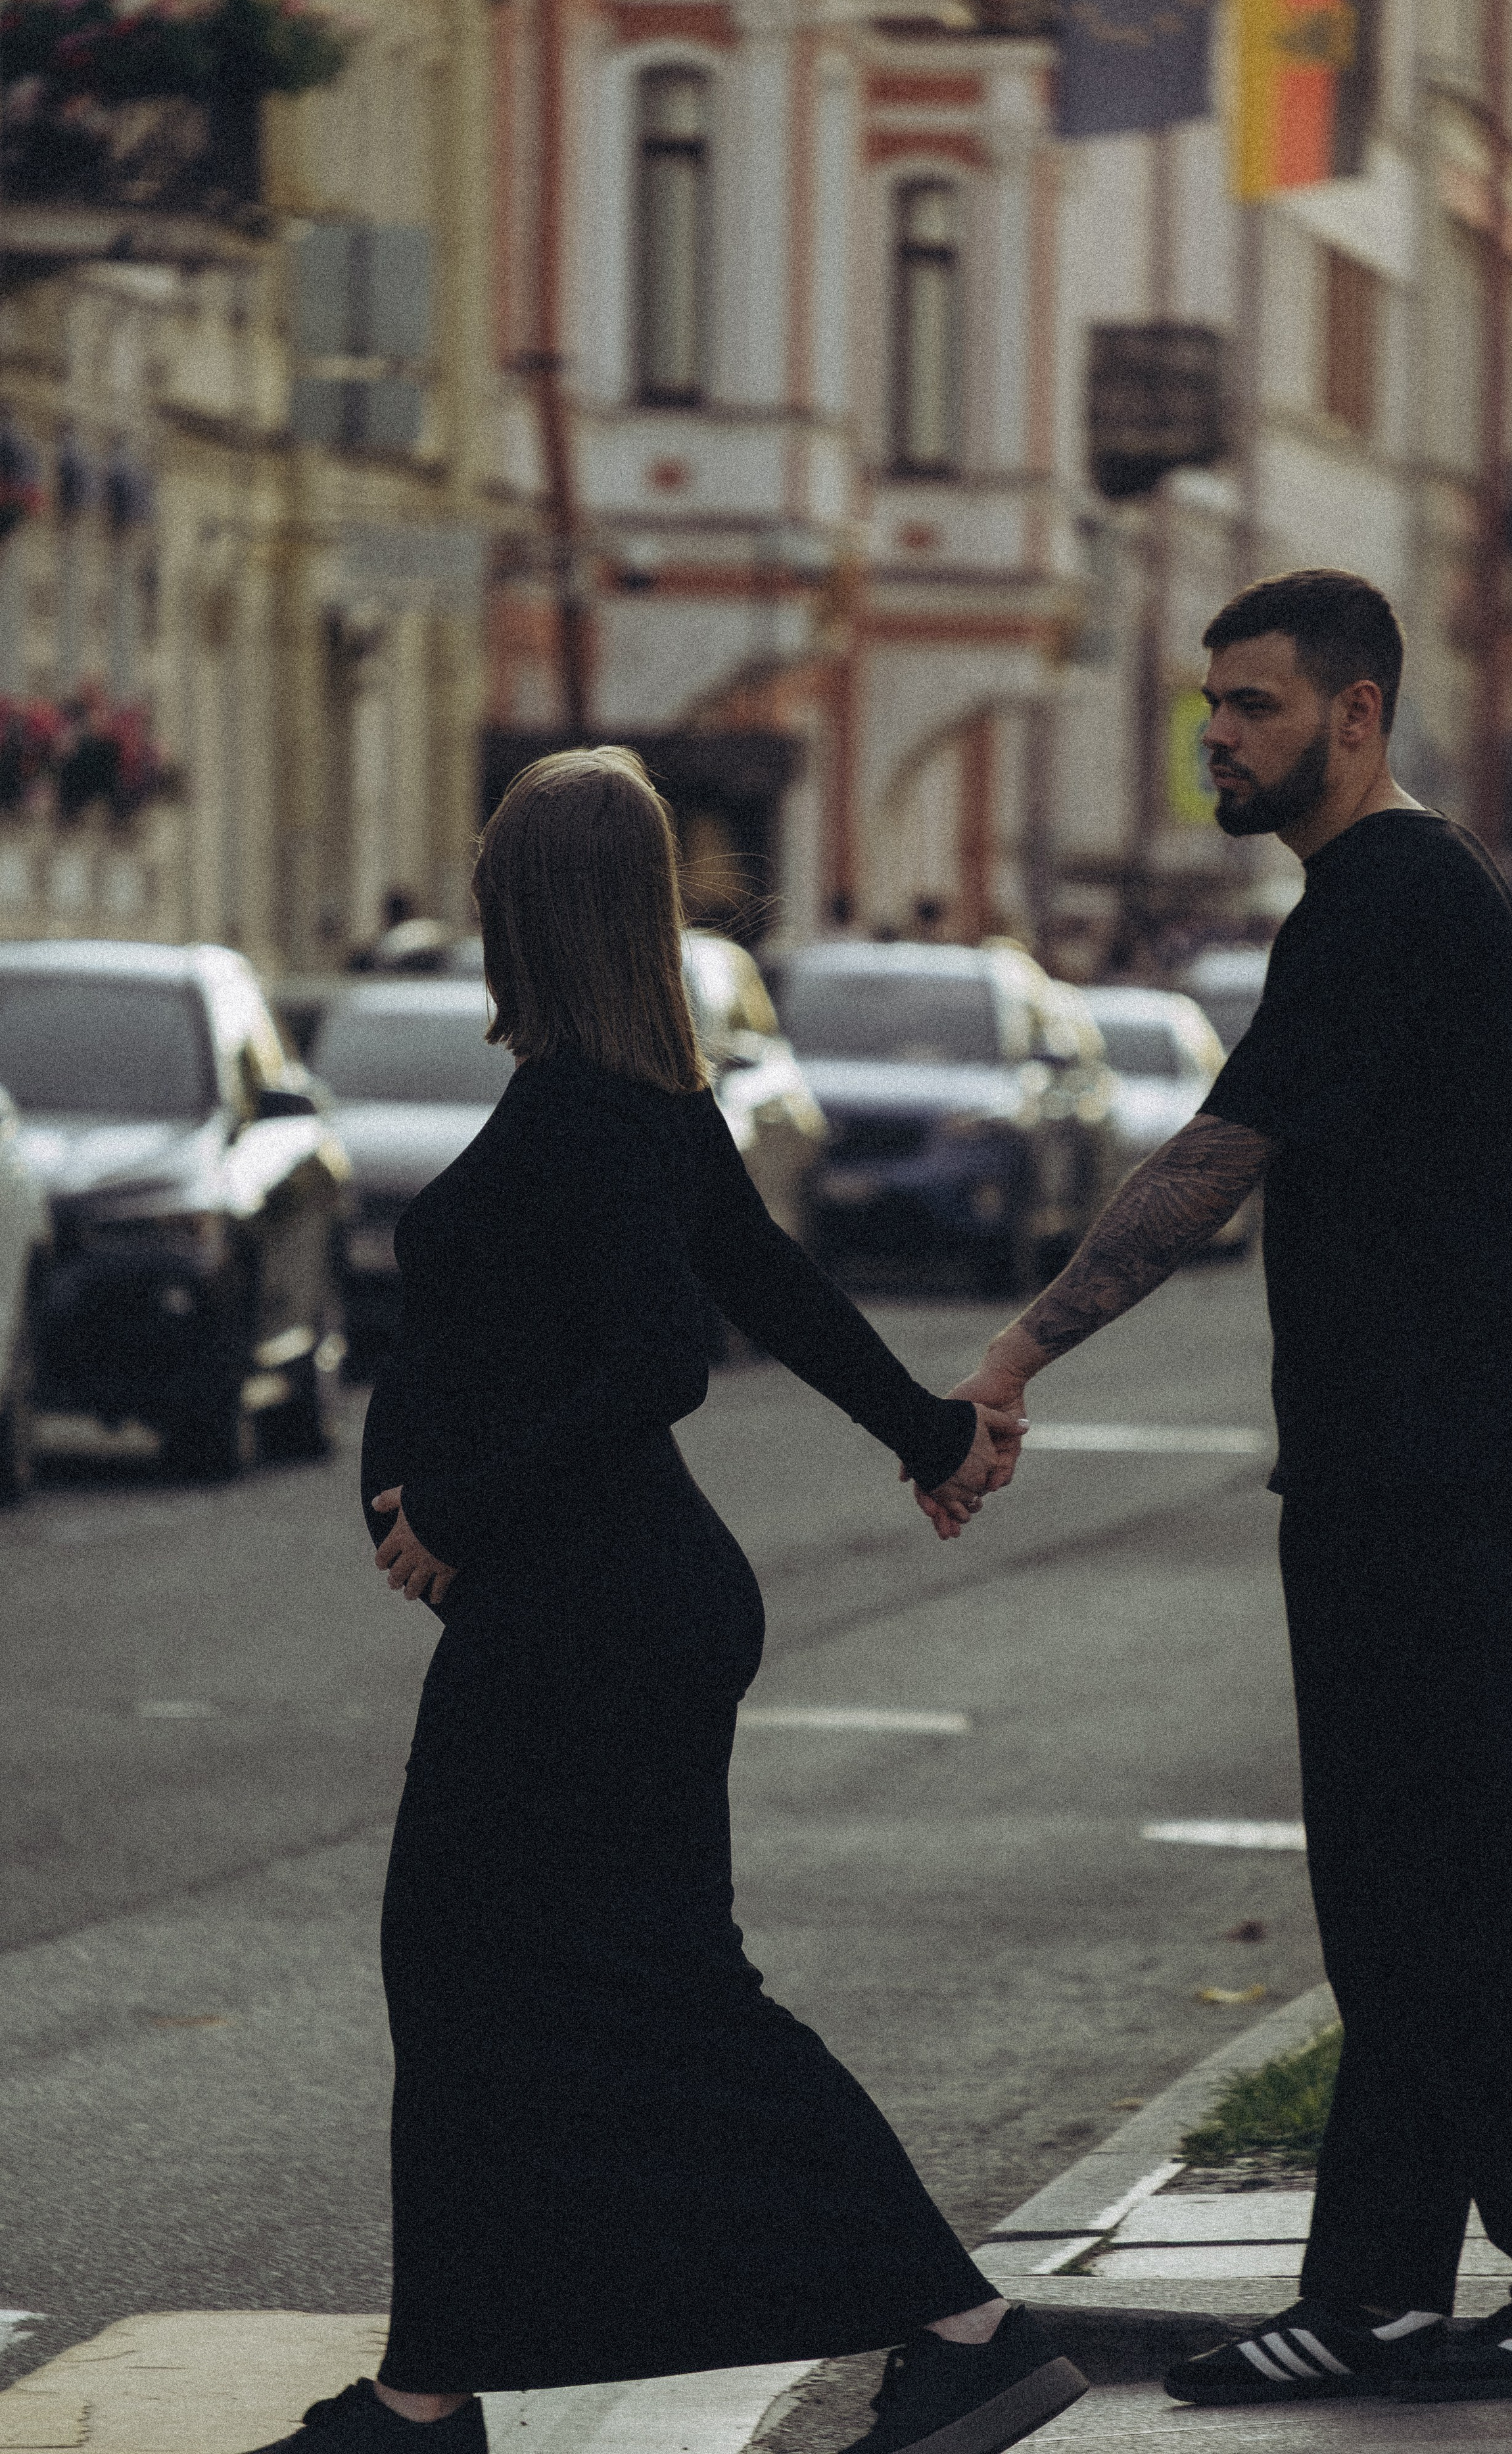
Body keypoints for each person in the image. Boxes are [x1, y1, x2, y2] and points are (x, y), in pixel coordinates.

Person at [248, 749, 1088, 2454]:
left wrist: (458, 1515)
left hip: (590, 1617)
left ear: (522, 912)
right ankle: (435, 2390)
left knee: (593, 1986)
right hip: (609, 1612)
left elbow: (657, 1361)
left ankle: (964, 2330)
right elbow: (777, 1284)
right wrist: (928, 1434)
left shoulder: (583, 1117)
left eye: (493, 887)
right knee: (554, 1984)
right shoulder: (639, 1103)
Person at [924, 573, 1512, 2406]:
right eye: (1214, 705)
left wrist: (1017, 1353)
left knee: (1481, 1909)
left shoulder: (1396, 904)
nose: (1218, 737)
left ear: (1357, 716)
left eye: (1254, 707)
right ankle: (1373, 2297)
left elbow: (1212, 1161)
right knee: (1402, 1915)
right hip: (1400, 1505)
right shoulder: (1366, 910)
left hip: (1474, 1514)